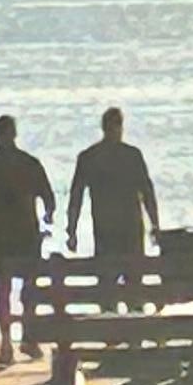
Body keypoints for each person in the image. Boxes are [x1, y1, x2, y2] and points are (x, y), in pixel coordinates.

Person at [0, 115, 55, 361]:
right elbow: (48, 198)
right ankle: (29, 339)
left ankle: (6, 344)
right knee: (29, 290)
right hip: (27, 234)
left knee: (3, 292)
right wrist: (47, 216)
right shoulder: (30, 163)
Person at [65, 106, 161, 300]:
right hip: (128, 228)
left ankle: (112, 324)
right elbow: (147, 193)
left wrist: (72, 230)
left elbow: (76, 197)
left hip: (107, 228)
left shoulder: (89, 157)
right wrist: (155, 225)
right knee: (132, 286)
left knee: (108, 287)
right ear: (120, 127)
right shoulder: (131, 156)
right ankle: (132, 323)